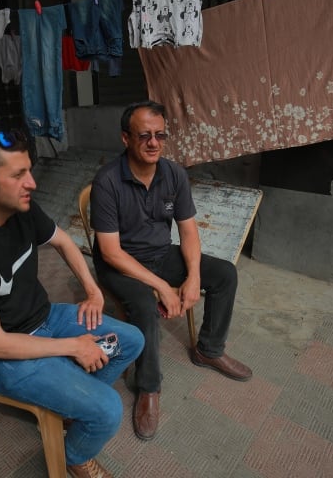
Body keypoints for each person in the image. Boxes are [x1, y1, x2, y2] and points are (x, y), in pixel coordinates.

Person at [0, 130, 144, 478]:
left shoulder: (20, 207)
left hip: (45, 318)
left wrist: (93, 290)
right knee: (108, 410)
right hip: (2, 357)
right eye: (18, 175)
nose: (32, 183)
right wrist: (75, 345)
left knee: (132, 340)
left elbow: (64, 242)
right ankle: (72, 456)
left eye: (30, 170)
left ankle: (73, 406)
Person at [90, 101, 252, 441]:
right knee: (145, 306)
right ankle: (148, 388)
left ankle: (208, 349)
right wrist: (163, 287)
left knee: (224, 274)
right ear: (125, 138)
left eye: (160, 135)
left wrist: (192, 276)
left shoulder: (174, 173)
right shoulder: (107, 181)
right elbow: (110, 252)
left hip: (161, 254)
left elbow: (189, 231)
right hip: (121, 264)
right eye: (144, 135)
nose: (153, 143)